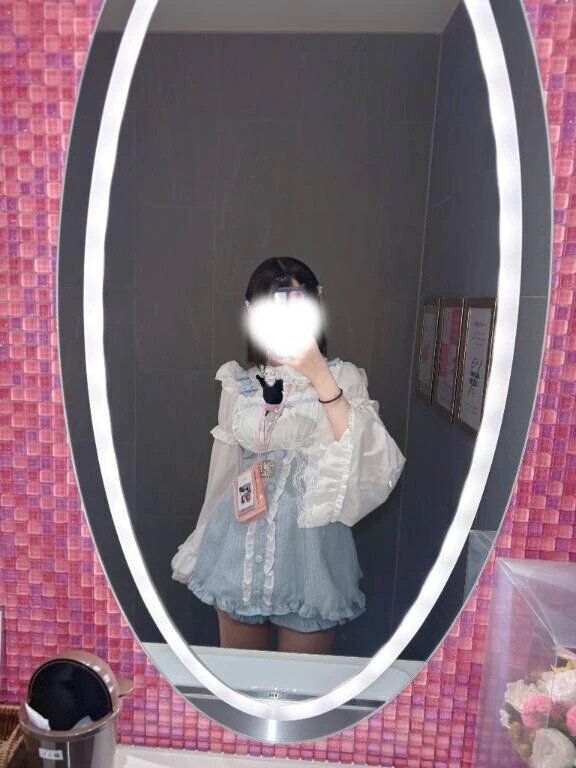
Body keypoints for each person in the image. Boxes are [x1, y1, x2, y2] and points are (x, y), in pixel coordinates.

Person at [172, 257, 405, 654]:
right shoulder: (238, 385)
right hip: (236, 549)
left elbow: (373, 464)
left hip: (312, 555)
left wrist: (318, 374)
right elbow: (224, 473)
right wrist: (200, 541)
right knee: (239, 676)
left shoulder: (342, 378)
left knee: (303, 682)